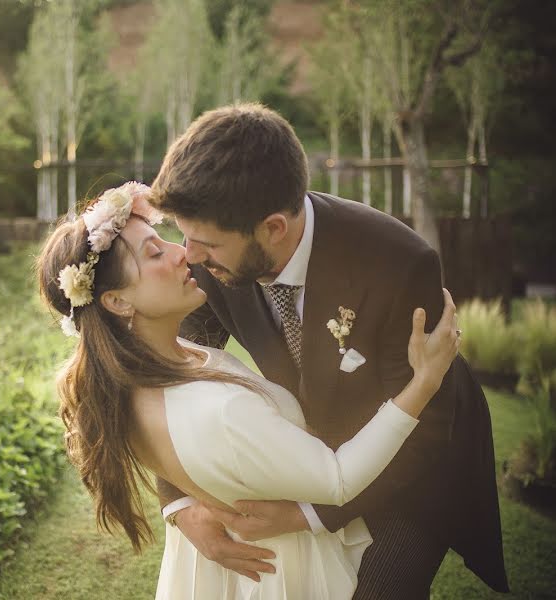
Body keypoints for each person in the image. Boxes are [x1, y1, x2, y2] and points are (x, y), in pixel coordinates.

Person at [148, 103, 508, 598]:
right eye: (183, 237)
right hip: (318, 453)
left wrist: (309, 514)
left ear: (273, 227)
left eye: (205, 243)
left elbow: (426, 426)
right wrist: (179, 503)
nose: (189, 258)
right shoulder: (214, 252)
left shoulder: (397, 265)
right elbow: (171, 375)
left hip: (417, 463)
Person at [37, 182, 461, 599]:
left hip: (406, 476)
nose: (186, 252)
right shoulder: (217, 405)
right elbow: (338, 477)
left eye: (166, 239)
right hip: (285, 560)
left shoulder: (153, 364)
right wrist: (423, 382)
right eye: (155, 249)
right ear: (116, 302)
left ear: (270, 227)